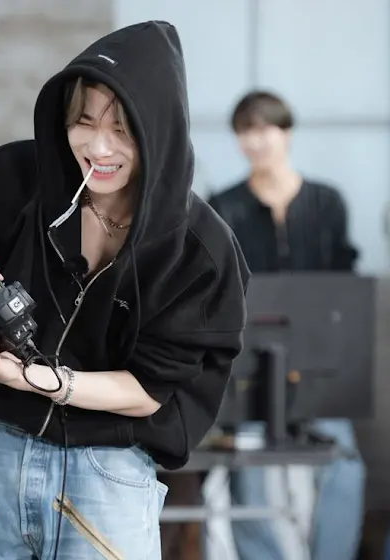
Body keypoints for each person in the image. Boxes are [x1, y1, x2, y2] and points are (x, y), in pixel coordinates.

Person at [0, 21, 249, 558]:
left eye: (122, 130)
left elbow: (148, 390)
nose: (98, 147)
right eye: (83, 122)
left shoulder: (200, 250)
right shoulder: (16, 177)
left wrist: (39, 381)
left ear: (158, 130)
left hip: (108, 472)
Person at [208, 90, 364, 560]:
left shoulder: (326, 202)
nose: (256, 141)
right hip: (248, 369)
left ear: (286, 132)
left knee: (346, 465)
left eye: (265, 129)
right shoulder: (224, 207)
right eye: (245, 131)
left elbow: (342, 290)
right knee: (246, 470)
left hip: (317, 366)